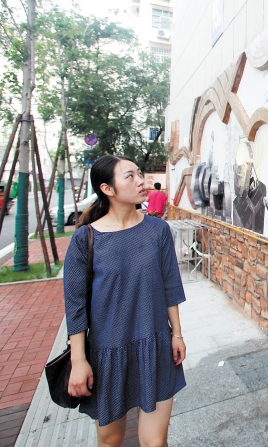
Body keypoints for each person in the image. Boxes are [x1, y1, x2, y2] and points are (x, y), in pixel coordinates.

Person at [64, 155, 186, 447]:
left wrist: (177, 334)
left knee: (155, 442)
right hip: (108, 353)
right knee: (110, 440)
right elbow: (75, 305)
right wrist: (78, 360)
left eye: (139, 174)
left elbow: (170, 285)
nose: (141, 181)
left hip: (155, 345)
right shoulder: (85, 239)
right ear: (107, 189)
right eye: (130, 176)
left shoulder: (158, 231)